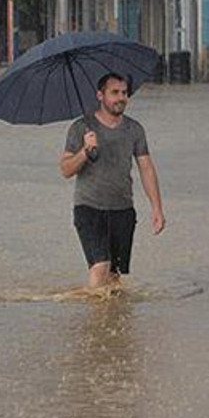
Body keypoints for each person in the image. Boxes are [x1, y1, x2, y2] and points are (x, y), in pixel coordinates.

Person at [59, 73, 166, 289]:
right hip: (89, 208)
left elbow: (146, 167)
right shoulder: (80, 128)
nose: (121, 98)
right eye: (114, 93)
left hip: (123, 210)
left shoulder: (134, 129)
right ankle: (96, 321)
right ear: (100, 95)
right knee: (100, 267)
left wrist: (157, 208)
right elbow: (66, 169)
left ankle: (113, 321)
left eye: (124, 93)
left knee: (115, 279)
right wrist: (85, 151)